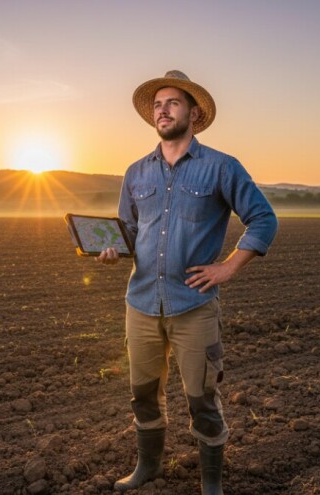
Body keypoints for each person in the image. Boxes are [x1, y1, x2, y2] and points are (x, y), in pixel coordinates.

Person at [96, 70, 278, 494]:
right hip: (140, 304)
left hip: (193, 306)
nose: (163, 110)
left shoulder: (221, 167)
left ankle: (211, 483)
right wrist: (109, 249)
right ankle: (149, 467)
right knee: (142, 395)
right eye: (158, 104)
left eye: (172, 103)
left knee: (202, 401)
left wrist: (229, 266)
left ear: (193, 113)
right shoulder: (136, 172)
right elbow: (127, 229)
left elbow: (264, 219)